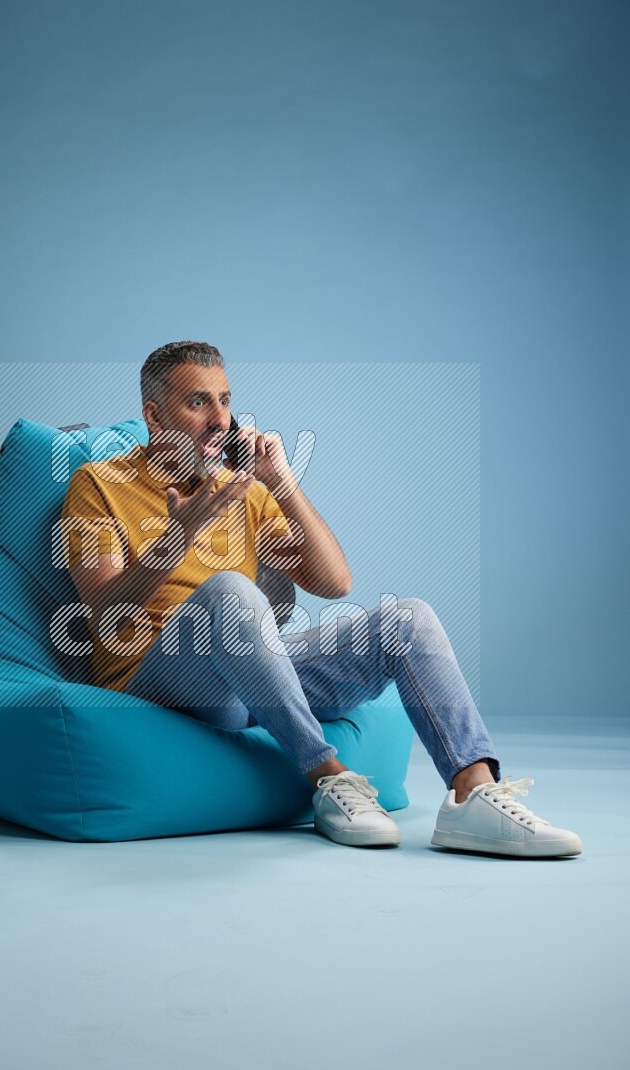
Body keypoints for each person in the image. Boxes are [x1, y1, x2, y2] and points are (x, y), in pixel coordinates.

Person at [60, 341, 582, 858]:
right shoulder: (98, 483)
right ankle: (329, 777)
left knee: (409, 620)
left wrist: (281, 483)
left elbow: (334, 583)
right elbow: (105, 611)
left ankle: (473, 791)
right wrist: (180, 534)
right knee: (230, 590)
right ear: (154, 415)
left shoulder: (242, 490)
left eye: (225, 400)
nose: (220, 419)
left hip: (248, 679)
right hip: (157, 679)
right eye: (198, 402)